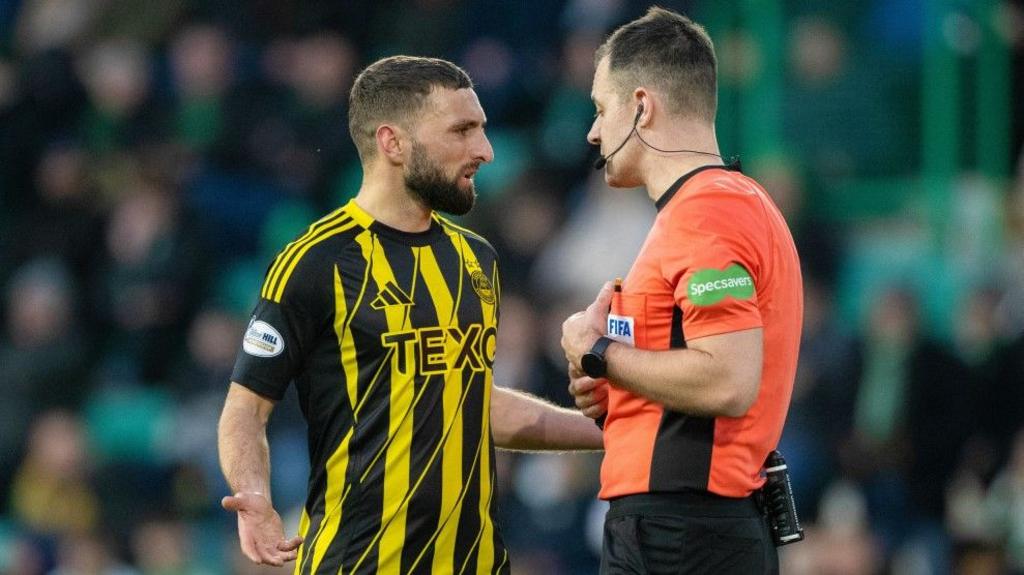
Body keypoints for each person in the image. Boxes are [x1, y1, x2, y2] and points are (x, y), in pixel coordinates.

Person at [217, 55, 603, 574]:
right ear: (392, 143)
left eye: (482, 131)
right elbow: (245, 409)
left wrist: (613, 431)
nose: (484, 152)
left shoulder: (476, 260)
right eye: (462, 131)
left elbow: (471, 402)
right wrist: (254, 496)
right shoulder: (315, 263)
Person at [561, 7, 803, 574]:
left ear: (642, 106)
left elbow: (728, 379)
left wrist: (600, 354)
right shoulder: (717, 206)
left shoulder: (709, 211)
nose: (594, 131)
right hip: (689, 529)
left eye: (600, 109)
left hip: (683, 533)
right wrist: (610, 389)